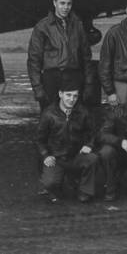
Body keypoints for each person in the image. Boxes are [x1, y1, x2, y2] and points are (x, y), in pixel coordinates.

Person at [27, 0, 92, 112]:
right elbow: (34, 60)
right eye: (62, 3)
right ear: (54, 3)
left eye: (69, 3)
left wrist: (89, 84)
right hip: (51, 79)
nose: (66, 7)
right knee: (50, 120)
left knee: (74, 121)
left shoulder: (77, 25)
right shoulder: (42, 27)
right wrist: (38, 88)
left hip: (73, 77)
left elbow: (86, 57)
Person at [36, 75, 98, 203]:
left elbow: (93, 133)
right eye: (68, 95)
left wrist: (89, 145)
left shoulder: (83, 112)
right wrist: (46, 155)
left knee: (92, 159)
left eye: (75, 96)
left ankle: (84, 190)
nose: (72, 99)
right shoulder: (48, 114)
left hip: (76, 156)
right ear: (60, 94)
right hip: (57, 158)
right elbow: (39, 139)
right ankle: (59, 186)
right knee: (50, 183)